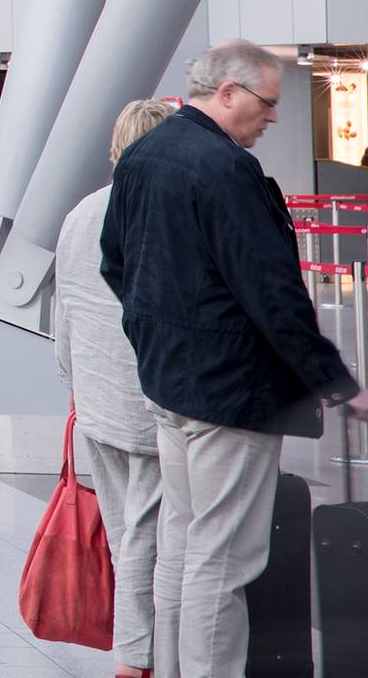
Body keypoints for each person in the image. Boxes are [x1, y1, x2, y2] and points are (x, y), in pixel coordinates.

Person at [104, 40, 368, 678]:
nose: (272, 118)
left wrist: (161, 337)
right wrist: (335, 382)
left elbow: (116, 262)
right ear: (227, 92)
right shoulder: (225, 169)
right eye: (267, 103)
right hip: (231, 394)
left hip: (170, 387)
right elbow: (271, 291)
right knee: (223, 560)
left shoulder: (142, 156)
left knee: (184, 545)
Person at [54, 98, 180, 678]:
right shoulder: (157, 211)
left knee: (125, 530)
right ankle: (138, 659)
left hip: (95, 405)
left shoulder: (79, 214)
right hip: (148, 404)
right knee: (147, 537)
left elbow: (63, 323)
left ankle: (141, 651)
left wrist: (78, 380)